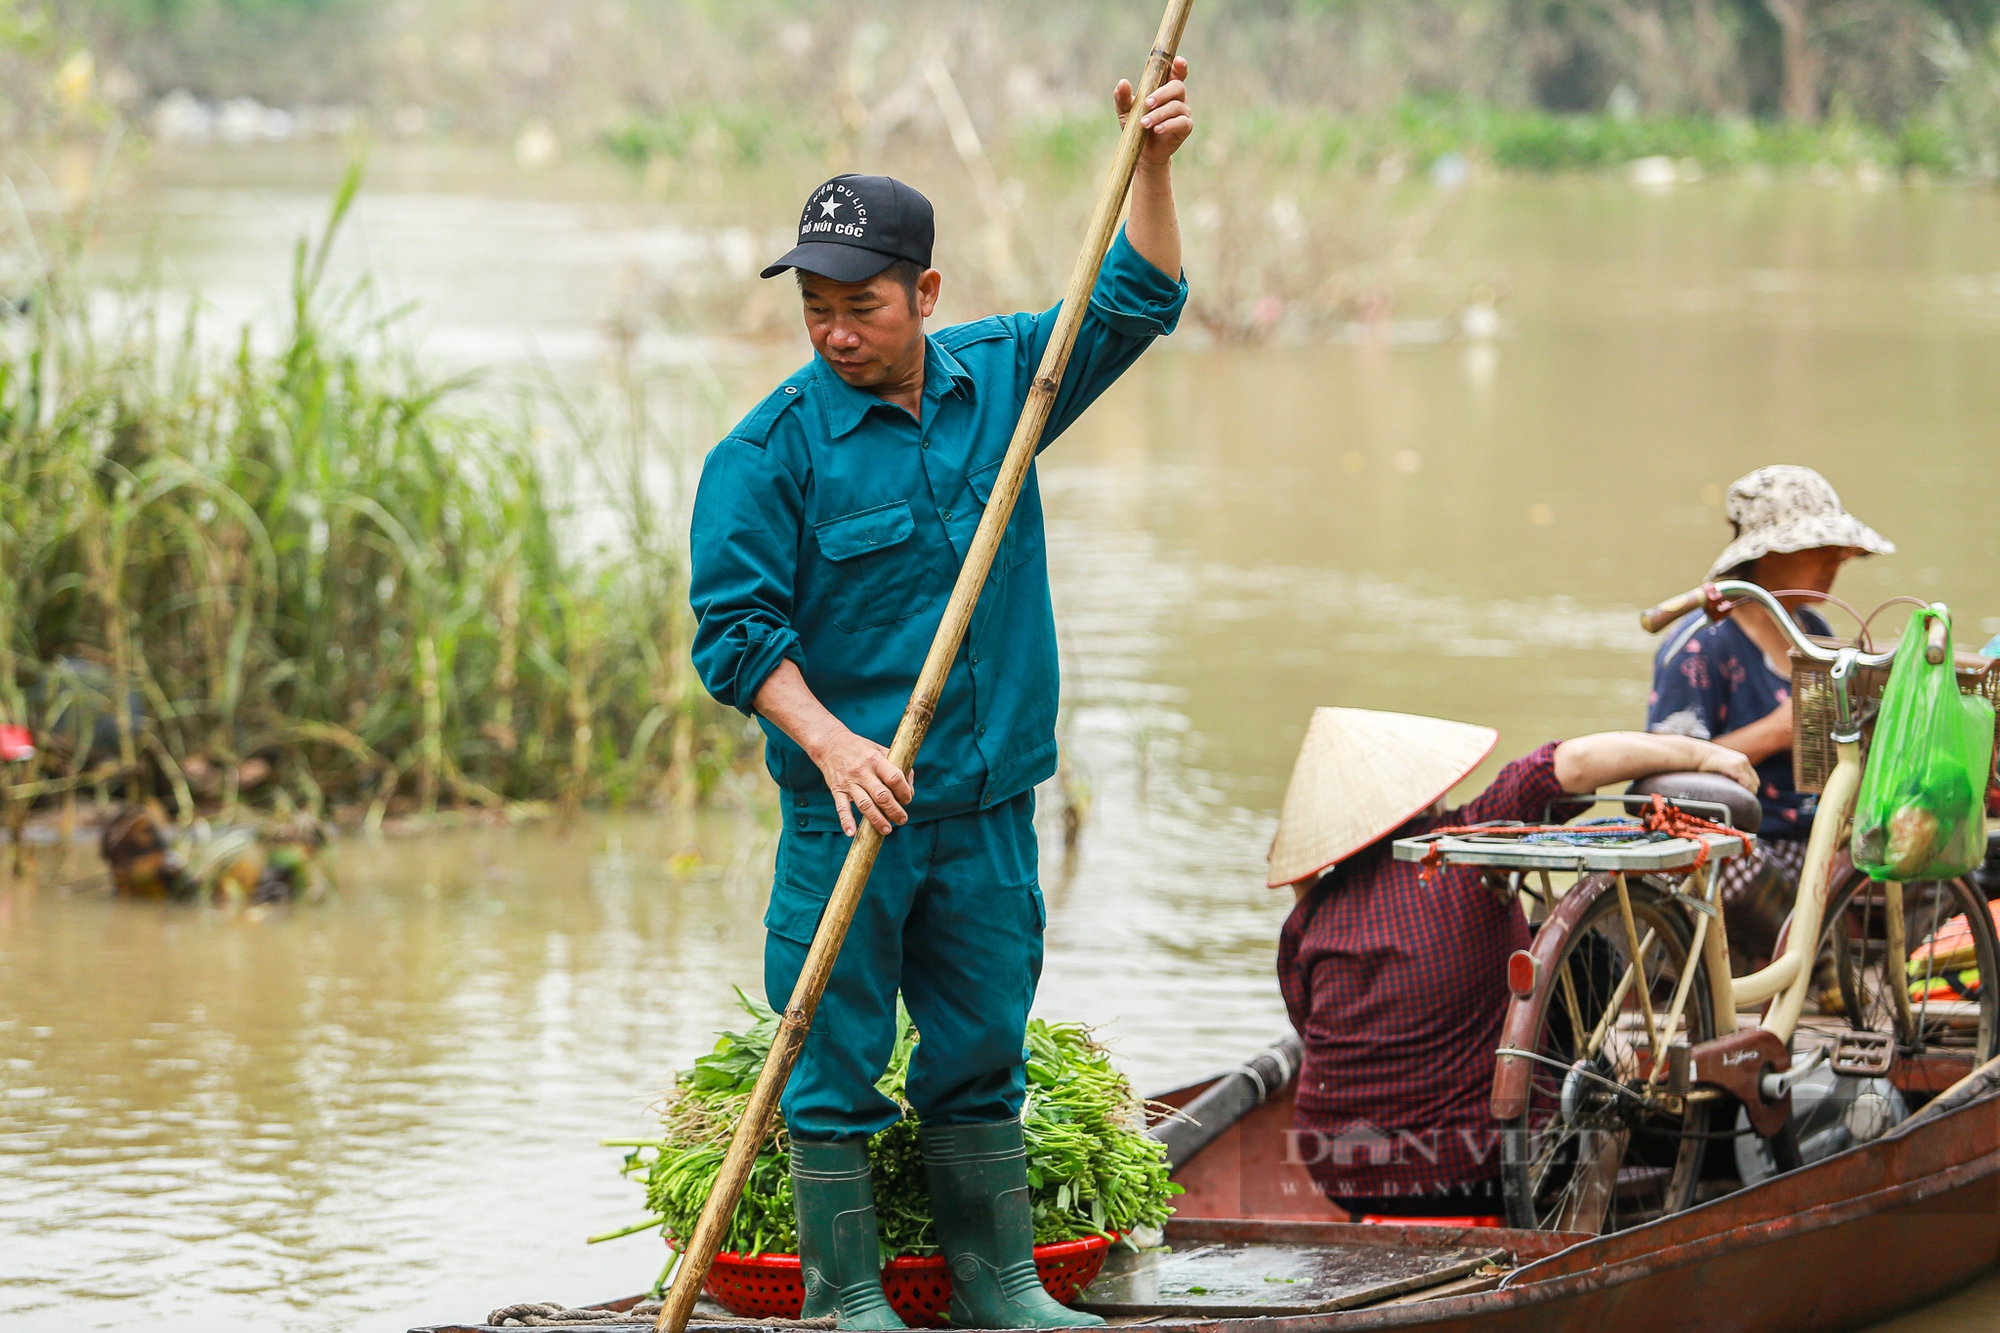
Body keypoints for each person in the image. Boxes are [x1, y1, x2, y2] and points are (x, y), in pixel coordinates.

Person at [686, 64, 1194, 1333]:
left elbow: (1140, 297)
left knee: (980, 1048)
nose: (833, 333)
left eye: (860, 306)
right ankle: (845, 1299)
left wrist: (1151, 163)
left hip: (985, 800)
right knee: (831, 1054)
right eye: (813, 309)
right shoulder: (763, 455)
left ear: (924, 292)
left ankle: (1003, 1284)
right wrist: (835, 743)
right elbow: (735, 640)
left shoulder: (1008, 383)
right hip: (849, 812)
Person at [1270, 708, 1757, 1218]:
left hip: (1338, 1173)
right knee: (1591, 976)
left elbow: (1309, 1027)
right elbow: (1575, 763)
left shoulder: (1308, 920)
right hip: (1479, 1168)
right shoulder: (1465, 846)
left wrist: (1308, 886)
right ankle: (1579, 1230)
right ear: (1427, 789)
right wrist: (1704, 753)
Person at [1646, 465, 1893, 971]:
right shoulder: (1701, 644)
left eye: (1835, 553)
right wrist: (1777, 731)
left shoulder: (1813, 629)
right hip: (1752, 844)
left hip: (1817, 836)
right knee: (1727, 860)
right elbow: (1664, 773)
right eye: (1818, 551)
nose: (1833, 563)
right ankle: (1817, 959)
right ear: (1768, 554)